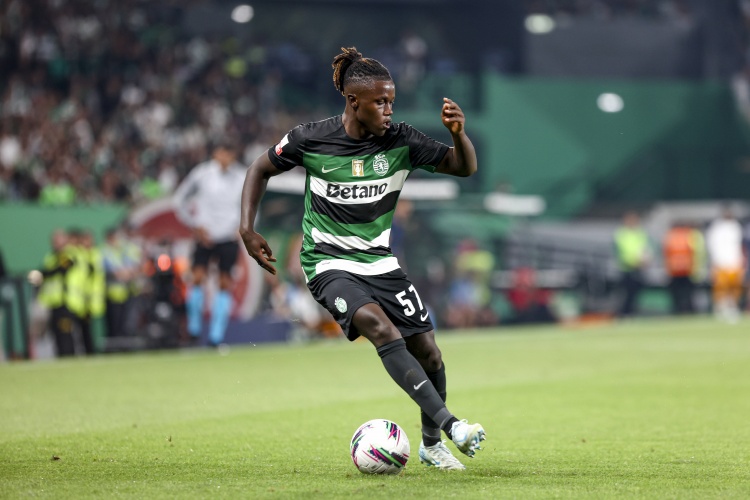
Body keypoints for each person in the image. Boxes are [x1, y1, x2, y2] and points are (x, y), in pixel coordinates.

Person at [239, 47, 486, 470]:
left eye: (392, 101)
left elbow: (462, 168)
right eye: (380, 102)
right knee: (379, 327)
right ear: (354, 101)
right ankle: (452, 425)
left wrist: (459, 134)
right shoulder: (310, 139)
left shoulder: (402, 141)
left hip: (380, 262)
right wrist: (247, 228)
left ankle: (431, 445)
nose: (389, 110)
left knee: (429, 352)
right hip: (327, 262)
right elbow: (258, 169)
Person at [173, 142, 246, 346]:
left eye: (230, 153)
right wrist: (194, 225)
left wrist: (244, 227)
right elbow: (179, 199)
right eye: (223, 153)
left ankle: (216, 336)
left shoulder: (241, 176)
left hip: (228, 236)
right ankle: (194, 328)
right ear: (216, 153)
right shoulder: (201, 174)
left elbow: (252, 202)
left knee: (224, 284)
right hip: (205, 235)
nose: (226, 158)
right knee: (197, 278)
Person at [705, 207, 745, 323]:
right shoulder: (716, 228)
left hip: (734, 262)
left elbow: (738, 245)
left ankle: (732, 307)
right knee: (721, 287)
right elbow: (712, 246)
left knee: (735, 287)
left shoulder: (736, 226)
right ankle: (720, 308)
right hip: (721, 262)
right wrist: (714, 261)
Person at [613, 211, 652, 317]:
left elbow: (646, 249)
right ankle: (624, 314)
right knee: (625, 293)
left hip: (638, 269)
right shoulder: (621, 234)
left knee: (636, 293)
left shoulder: (640, 233)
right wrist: (635, 262)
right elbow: (624, 253)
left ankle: (632, 312)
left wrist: (646, 260)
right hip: (626, 269)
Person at [662, 221, 704, 315]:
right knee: (687, 292)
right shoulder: (689, 235)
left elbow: (666, 252)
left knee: (677, 292)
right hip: (687, 268)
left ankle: (678, 310)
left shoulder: (670, 236)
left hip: (674, 269)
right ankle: (687, 310)